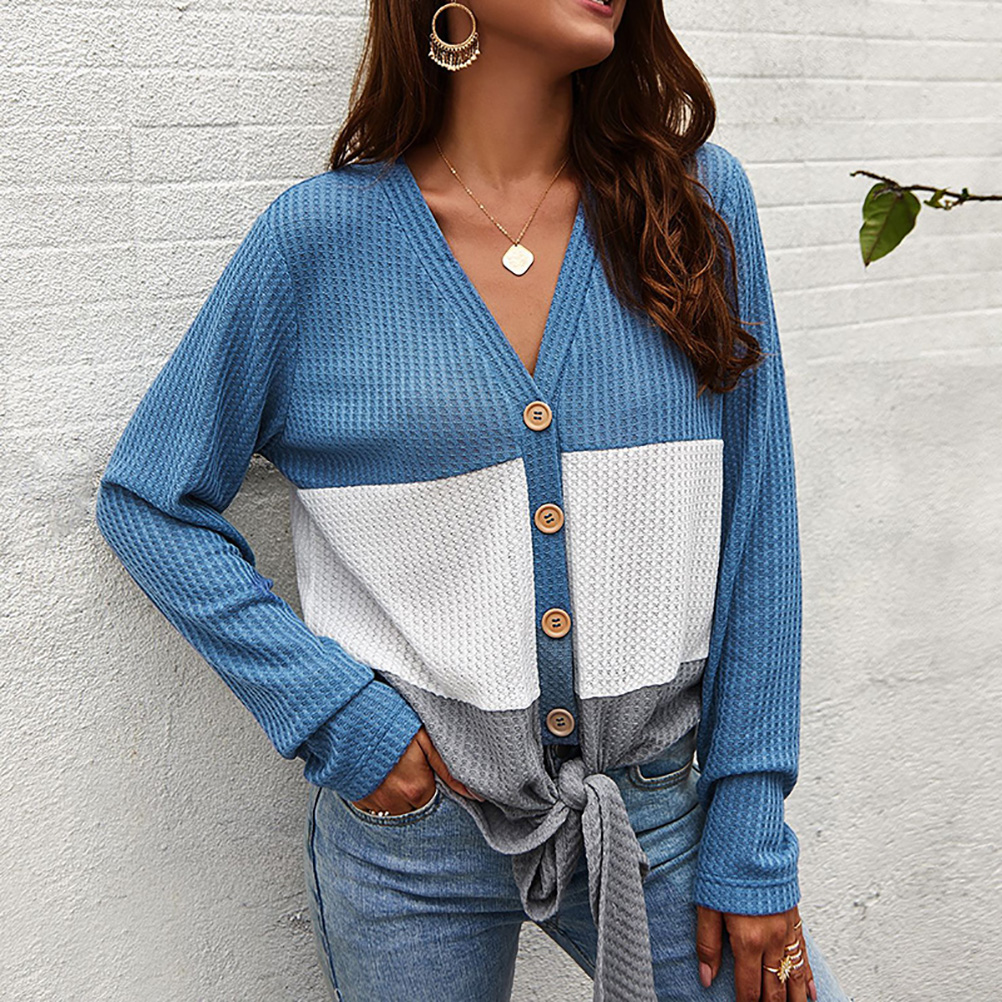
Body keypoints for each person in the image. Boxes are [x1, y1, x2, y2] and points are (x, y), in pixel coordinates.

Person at [95, 1, 855, 1000]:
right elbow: (150, 499)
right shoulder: (318, 243)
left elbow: (758, 528)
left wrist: (751, 828)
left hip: (659, 814)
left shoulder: (694, 207)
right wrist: (344, 722)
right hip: (413, 844)